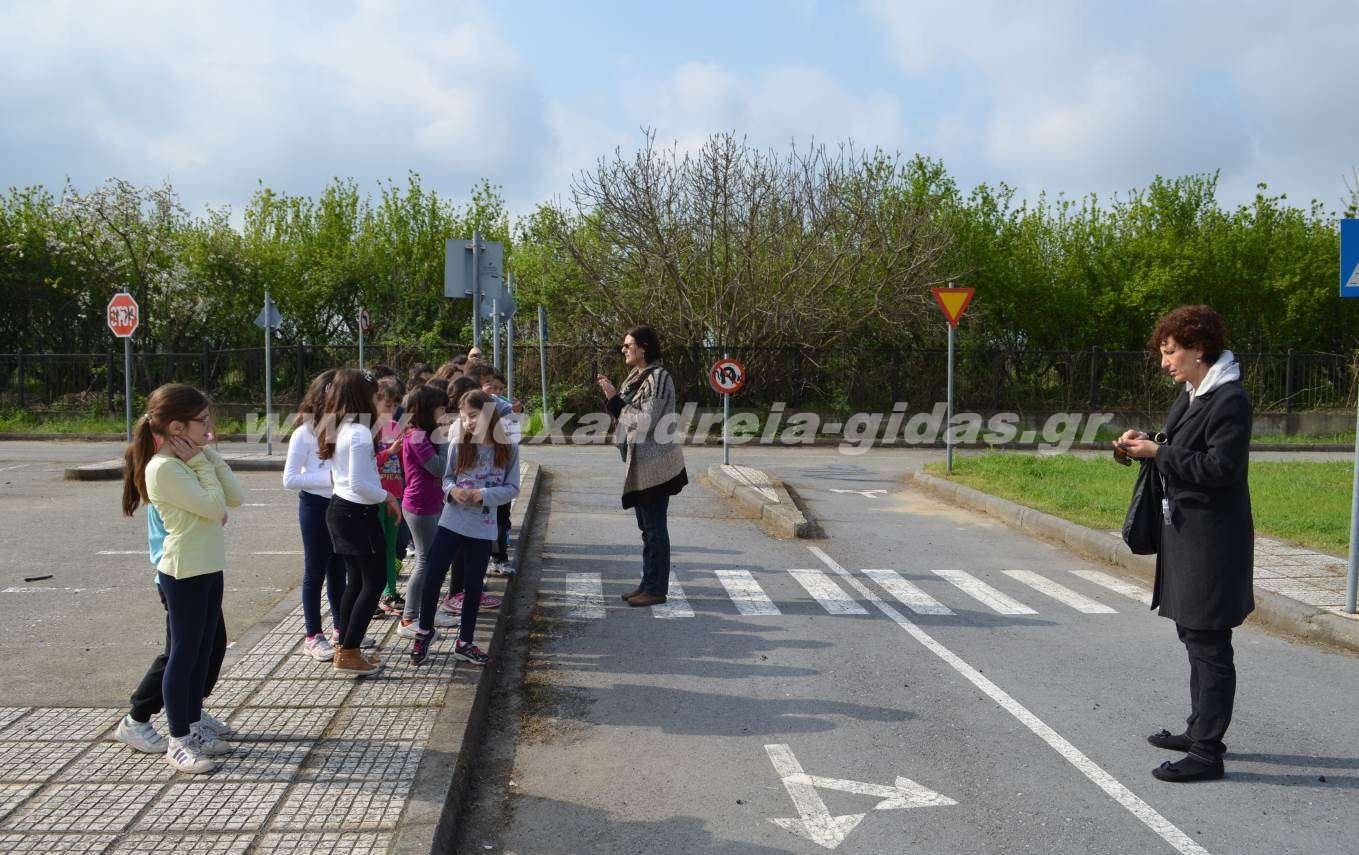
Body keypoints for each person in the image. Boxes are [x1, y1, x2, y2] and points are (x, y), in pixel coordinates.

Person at [1115, 304, 1253, 784]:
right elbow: (1177, 445)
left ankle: (1207, 753)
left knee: (1209, 642)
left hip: (1213, 542)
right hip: (1187, 536)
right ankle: (1198, 729)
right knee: (1192, 635)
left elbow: (1221, 469)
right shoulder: (1195, 393)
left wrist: (1160, 451)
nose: (1164, 362)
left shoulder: (1229, 399)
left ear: (1198, 349)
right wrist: (1144, 443)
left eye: (1170, 352)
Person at [122, 383, 243, 773]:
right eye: (202, 421)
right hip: (184, 571)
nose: (209, 427)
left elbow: (234, 497)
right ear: (177, 427)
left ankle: (192, 724)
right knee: (184, 654)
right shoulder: (164, 468)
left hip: (208, 566)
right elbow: (212, 505)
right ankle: (178, 739)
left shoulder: (190, 461)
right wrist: (204, 466)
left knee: (206, 648)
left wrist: (208, 458)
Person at [411, 390, 521, 667]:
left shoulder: (507, 447)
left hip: (483, 527)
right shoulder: (458, 442)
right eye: (464, 417)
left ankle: (465, 642)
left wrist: (483, 495)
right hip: (452, 520)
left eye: (473, 416)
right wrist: (454, 492)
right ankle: (424, 632)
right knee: (434, 575)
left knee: (473, 587)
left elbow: (513, 488)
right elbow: (446, 478)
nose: (469, 422)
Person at [113, 503, 231, 755]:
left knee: (211, 645)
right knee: (179, 654)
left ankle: (193, 712)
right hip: (180, 577)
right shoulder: (167, 476)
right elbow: (213, 517)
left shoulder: (182, 475)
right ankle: (137, 718)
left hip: (199, 573)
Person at [597, 325, 688, 607]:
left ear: (644, 347)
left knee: (655, 528)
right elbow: (625, 417)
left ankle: (656, 589)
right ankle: (647, 583)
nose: (624, 349)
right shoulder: (635, 377)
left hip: (656, 465)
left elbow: (646, 419)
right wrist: (615, 399)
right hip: (638, 463)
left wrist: (614, 399)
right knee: (646, 528)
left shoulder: (659, 377)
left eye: (628, 345)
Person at [317, 368, 397, 677]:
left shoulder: (340, 424)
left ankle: (346, 649)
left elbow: (349, 479)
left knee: (357, 581)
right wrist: (388, 497)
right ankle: (349, 650)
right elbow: (362, 484)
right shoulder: (360, 432)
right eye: (376, 395)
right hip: (357, 514)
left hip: (342, 511)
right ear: (362, 397)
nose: (379, 400)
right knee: (373, 582)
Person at [282, 370, 347, 661]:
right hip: (314, 507)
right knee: (315, 572)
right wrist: (331, 479)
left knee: (339, 571)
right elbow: (290, 479)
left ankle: (340, 628)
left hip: (340, 507)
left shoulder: (343, 428)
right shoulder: (303, 432)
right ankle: (312, 635)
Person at [396, 383, 460, 638]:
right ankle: (409, 618)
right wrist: (445, 439)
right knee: (424, 561)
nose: (445, 413)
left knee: (431, 561)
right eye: (441, 408)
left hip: (431, 503)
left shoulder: (425, 434)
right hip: (419, 506)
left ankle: (426, 612)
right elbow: (440, 468)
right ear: (427, 409)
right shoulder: (417, 436)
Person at [480, 369, 520, 576]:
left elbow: (514, 437)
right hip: (477, 479)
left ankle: (500, 558)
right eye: (490, 385)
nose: (494, 391)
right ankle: (481, 558)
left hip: (499, 476)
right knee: (479, 521)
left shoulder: (503, 406)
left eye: (499, 388)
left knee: (501, 519)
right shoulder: (472, 404)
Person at [374, 376, 408, 616]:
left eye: (395, 406)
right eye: (387, 405)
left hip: (395, 494)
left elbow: (405, 463)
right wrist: (389, 452)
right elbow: (366, 465)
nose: (392, 411)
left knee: (391, 548)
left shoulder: (397, 428)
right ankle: (373, 596)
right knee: (373, 549)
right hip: (376, 496)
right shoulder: (369, 430)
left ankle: (390, 591)